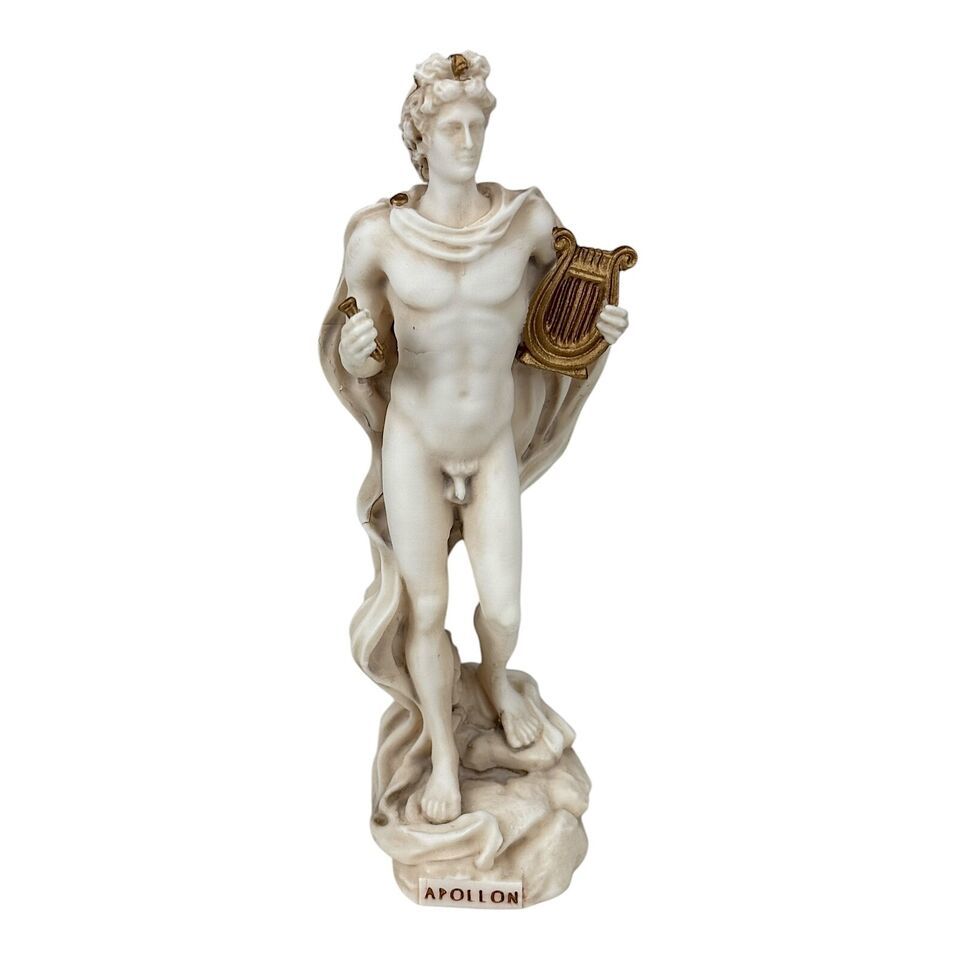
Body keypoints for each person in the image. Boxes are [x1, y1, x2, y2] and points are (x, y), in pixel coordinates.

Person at [320, 51, 629, 833]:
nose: (467, 140)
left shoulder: (526, 218)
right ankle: (442, 758)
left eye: (476, 126)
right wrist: (355, 357)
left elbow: (568, 300)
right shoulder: (377, 237)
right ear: (420, 140)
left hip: (490, 439)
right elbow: (361, 349)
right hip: (416, 440)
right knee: (426, 606)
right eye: (451, 128)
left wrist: (598, 323)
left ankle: (493, 679)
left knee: (505, 605)